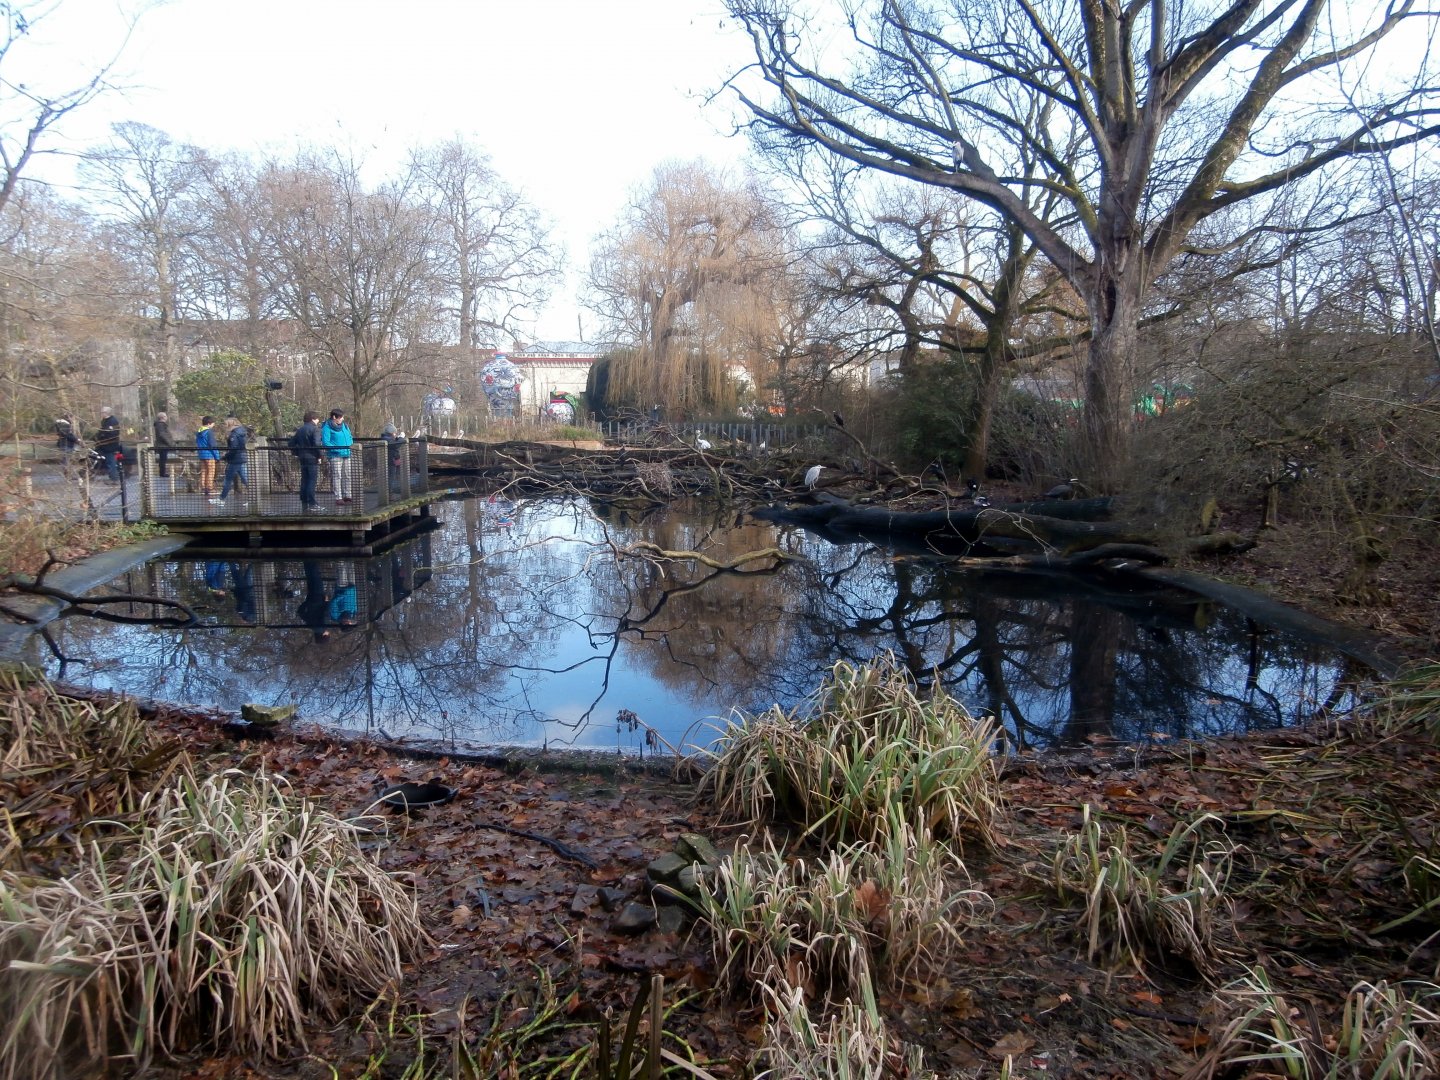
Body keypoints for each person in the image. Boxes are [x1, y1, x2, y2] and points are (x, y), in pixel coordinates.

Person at [289, 410, 324, 511]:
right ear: (313, 419)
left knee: (304, 480)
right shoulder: (315, 429)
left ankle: (304, 502)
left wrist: (297, 453)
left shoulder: (300, 430)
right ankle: (312, 503)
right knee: (312, 481)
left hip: (302, 458)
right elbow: (317, 444)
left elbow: (291, 443)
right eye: (317, 419)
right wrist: (320, 456)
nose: (318, 421)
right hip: (312, 458)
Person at [321, 408, 354, 504]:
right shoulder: (327, 427)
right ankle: (338, 497)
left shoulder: (345, 426)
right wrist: (338, 449)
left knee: (347, 475)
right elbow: (326, 442)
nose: (342, 419)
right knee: (337, 475)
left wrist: (350, 445)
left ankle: (348, 495)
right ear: (334, 417)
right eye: (341, 417)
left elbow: (350, 437)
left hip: (347, 453)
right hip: (335, 455)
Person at [219, 416, 249, 502]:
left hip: (235, 460)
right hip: (242, 458)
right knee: (245, 479)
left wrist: (225, 457)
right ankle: (253, 497)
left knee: (228, 480)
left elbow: (233, 448)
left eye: (226, 424)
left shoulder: (234, 435)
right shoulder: (242, 433)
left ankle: (221, 499)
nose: (225, 426)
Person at [195, 416, 221, 502]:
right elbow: (212, 445)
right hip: (209, 454)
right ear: (209, 423)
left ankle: (203, 487)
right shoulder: (209, 432)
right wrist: (217, 456)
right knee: (211, 471)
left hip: (201, 454)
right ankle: (210, 488)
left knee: (204, 471)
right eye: (213, 424)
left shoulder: (199, 432)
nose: (213, 425)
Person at [94, 407, 122, 483]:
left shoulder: (113, 421)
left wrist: (102, 436)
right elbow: (102, 430)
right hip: (104, 445)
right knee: (109, 462)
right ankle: (112, 477)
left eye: (102, 412)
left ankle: (114, 479)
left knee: (111, 462)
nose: (101, 414)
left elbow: (113, 434)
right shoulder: (104, 421)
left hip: (110, 445)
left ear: (106, 413)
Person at [380, 422, 405, 497]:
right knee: (391, 477)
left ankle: (389, 492)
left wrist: (398, 438)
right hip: (391, 460)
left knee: (391, 476)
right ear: (391, 432)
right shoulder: (387, 439)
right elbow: (396, 445)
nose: (395, 434)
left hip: (392, 459)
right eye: (394, 432)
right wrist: (401, 438)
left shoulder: (387, 438)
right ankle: (389, 493)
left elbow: (394, 442)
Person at [153, 412, 175, 478]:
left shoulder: (160, 425)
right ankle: (162, 473)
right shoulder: (161, 425)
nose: (166, 417)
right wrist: (169, 443)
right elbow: (162, 435)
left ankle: (162, 473)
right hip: (163, 445)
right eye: (165, 416)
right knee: (163, 459)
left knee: (163, 459)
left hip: (163, 445)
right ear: (163, 417)